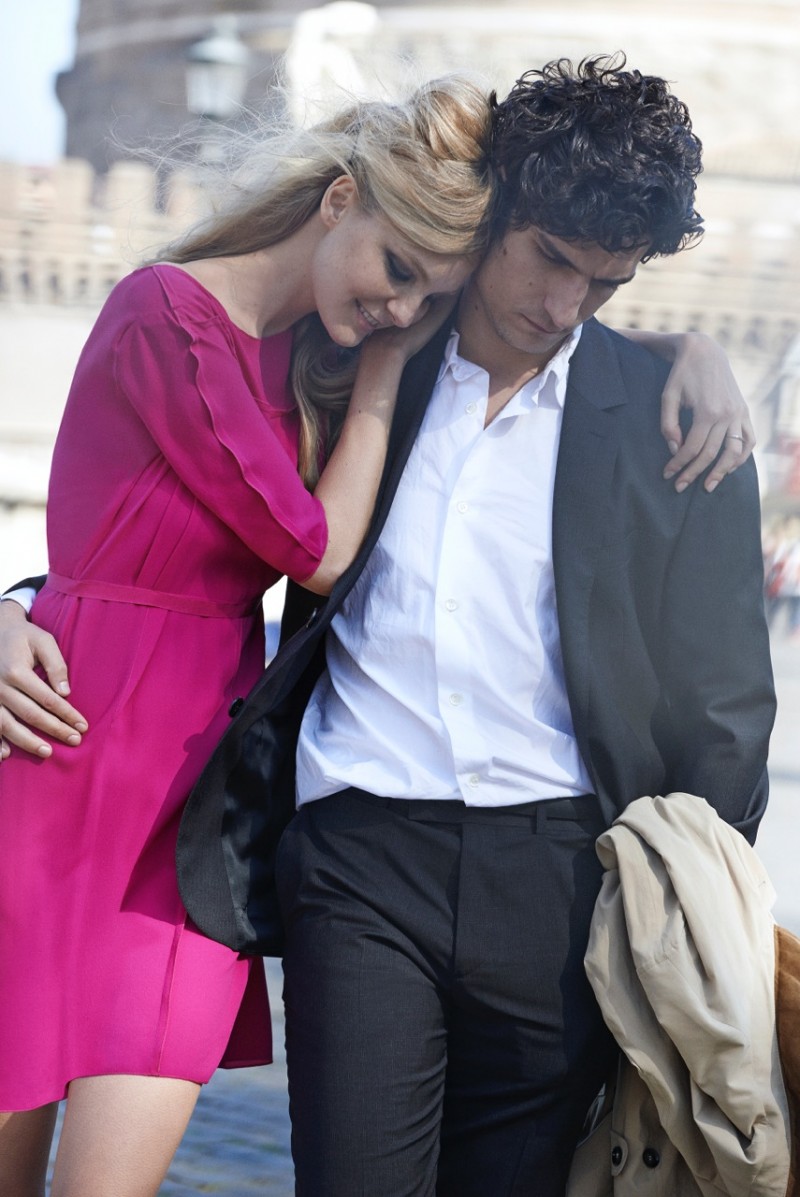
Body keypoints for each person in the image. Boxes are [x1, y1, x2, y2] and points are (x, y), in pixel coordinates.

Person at [0, 57, 763, 1195]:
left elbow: (726, 708)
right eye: (550, 258)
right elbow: (154, 514)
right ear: (492, 219)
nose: (564, 307)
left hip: (558, 883)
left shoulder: (673, 427)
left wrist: (667, 913)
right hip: (352, 863)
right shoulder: (354, 366)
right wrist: (17, 602)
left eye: (605, 284)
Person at [0, 76, 499, 1197]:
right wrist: (9, 606)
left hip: (196, 828)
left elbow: (552, 346)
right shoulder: (165, 315)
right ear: (339, 200)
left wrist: (690, 359)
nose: (401, 312)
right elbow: (312, 549)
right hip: (59, 768)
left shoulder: (319, 366)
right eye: (398, 269)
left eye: (429, 299)